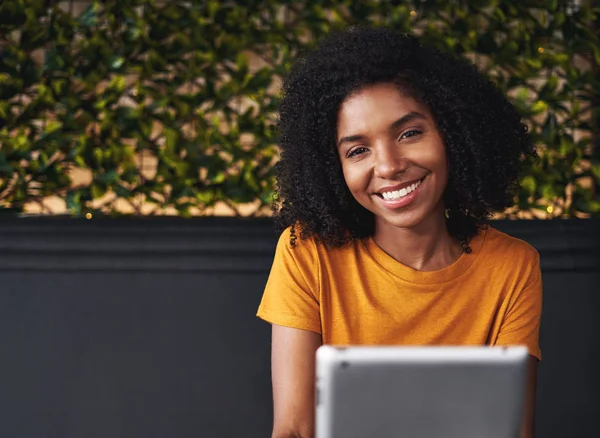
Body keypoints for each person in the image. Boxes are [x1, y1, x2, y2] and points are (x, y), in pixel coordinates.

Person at [257, 26, 542, 438]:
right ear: (333, 169)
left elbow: (513, 431)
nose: (388, 166)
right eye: (358, 150)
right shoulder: (307, 254)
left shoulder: (512, 266)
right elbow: (295, 429)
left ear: (454, 134)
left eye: (409, 133)